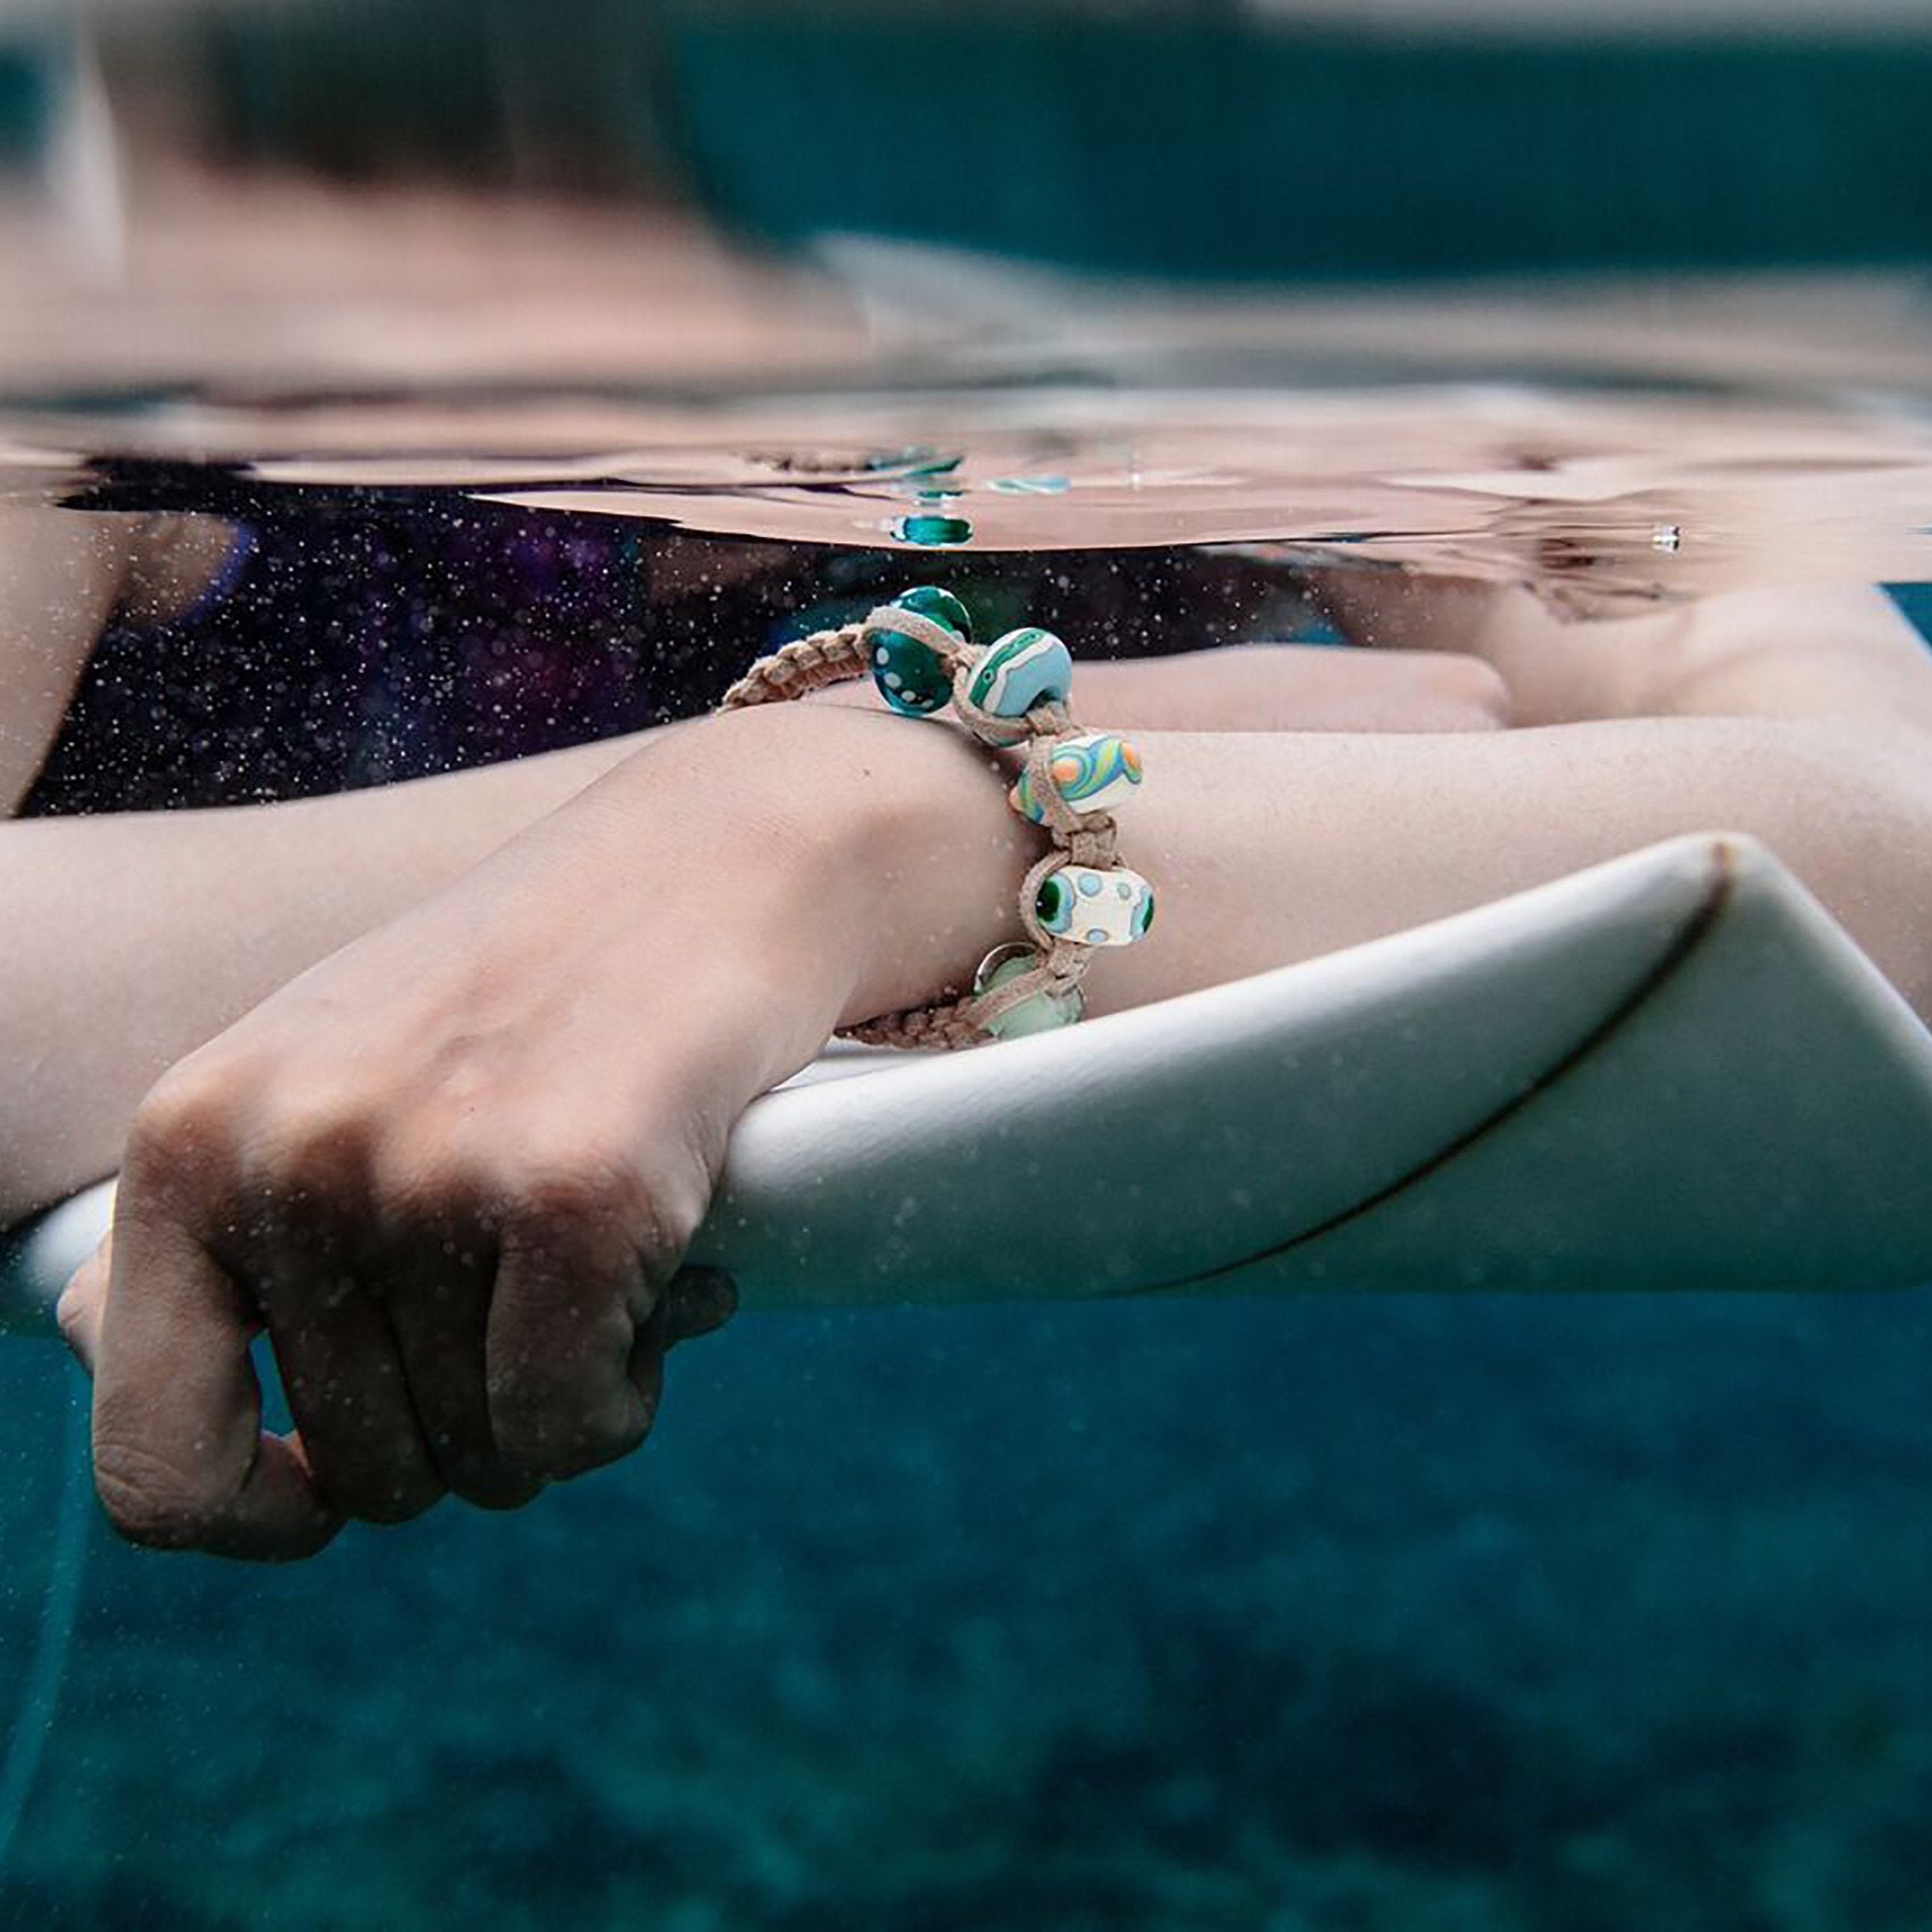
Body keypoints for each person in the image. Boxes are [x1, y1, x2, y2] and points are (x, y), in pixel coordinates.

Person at [6, 507, 1930, 1559]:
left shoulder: (1341, 346)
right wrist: (793, 791)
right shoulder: (111, 357)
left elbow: (1898, 835)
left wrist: (860, 832)